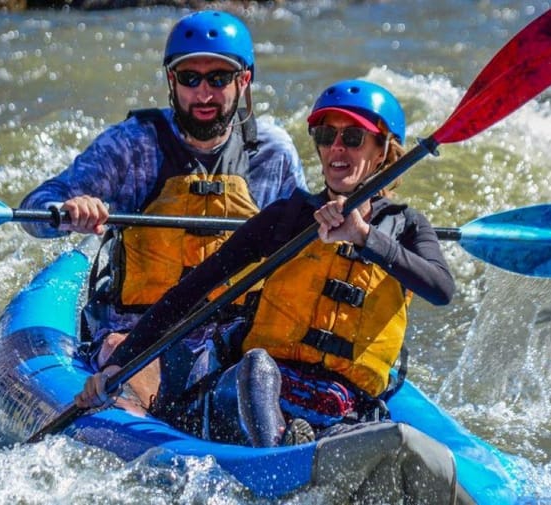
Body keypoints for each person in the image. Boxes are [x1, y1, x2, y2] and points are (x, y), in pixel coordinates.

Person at [77, 79, 456, 450]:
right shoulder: (289, 216)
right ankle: (279, 458)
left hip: (344, 404)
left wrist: (365, 238)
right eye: (326, 136)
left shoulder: (405, 227)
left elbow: (440, 289)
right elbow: (193, 292)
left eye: (353, 138)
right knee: (257, 365)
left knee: (347, 426)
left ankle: (318, 446)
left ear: (383, 151)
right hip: (257, 389)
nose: (336, 148)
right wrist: (120, 364)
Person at [19, 10, 308, 407]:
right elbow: (35, 210)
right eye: (190, 78)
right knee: (128, 370)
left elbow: (307, 249)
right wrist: (70, 209)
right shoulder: (132, 145)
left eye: (218, 79)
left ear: (244, 81)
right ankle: (134, 425)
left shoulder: (272, 153)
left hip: (234, 337)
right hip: (138, 334)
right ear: (172, 81)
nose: (203, 94)